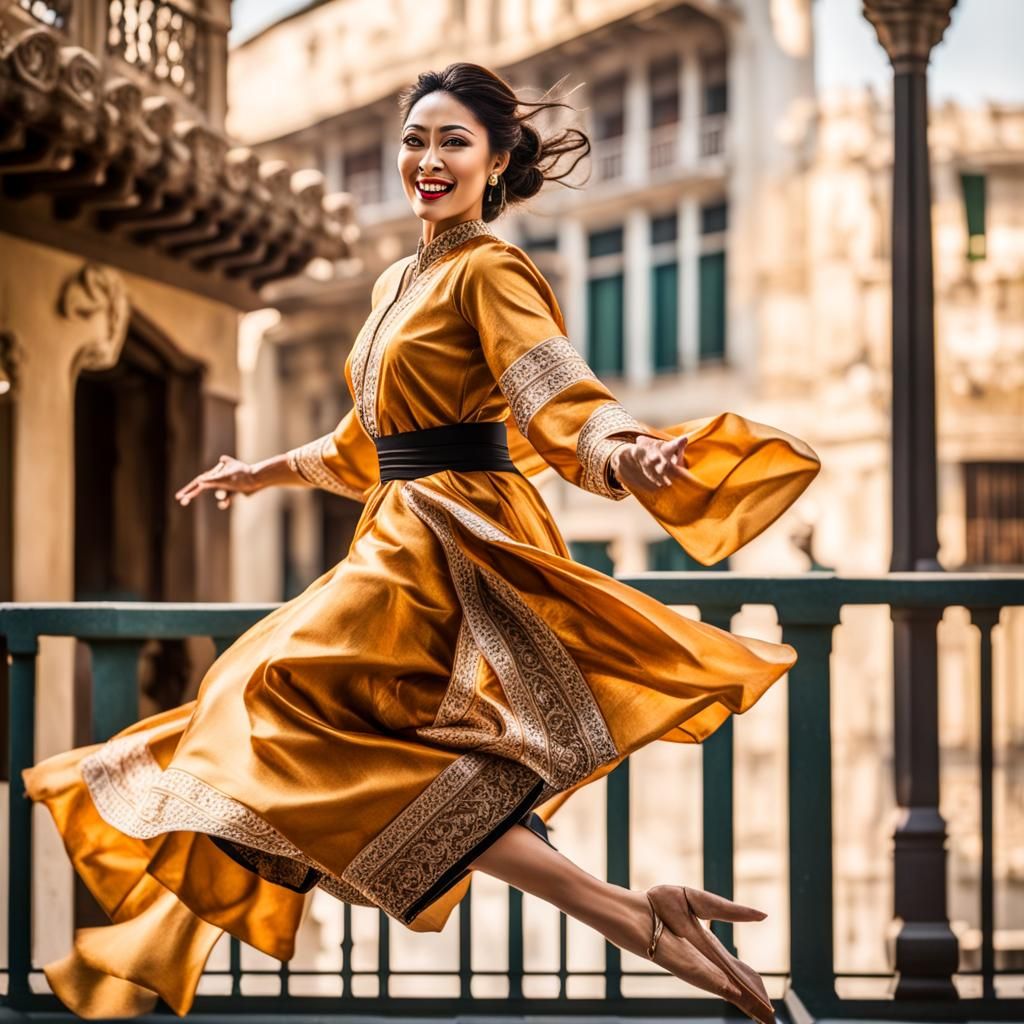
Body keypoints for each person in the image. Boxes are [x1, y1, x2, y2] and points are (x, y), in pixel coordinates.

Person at [22, 62, 820, 1021]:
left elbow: (555, 393)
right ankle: (635, 912)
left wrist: (627, 452)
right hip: (394, 527)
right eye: (415, 140)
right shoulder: (401, 278)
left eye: (453, 142)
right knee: (346, 757)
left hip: (454, 540)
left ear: (496, 161)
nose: (428, 160)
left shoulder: (492, 268)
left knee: (264, 695)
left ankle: (629, 916)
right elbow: (370, 438)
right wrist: (261, 471)